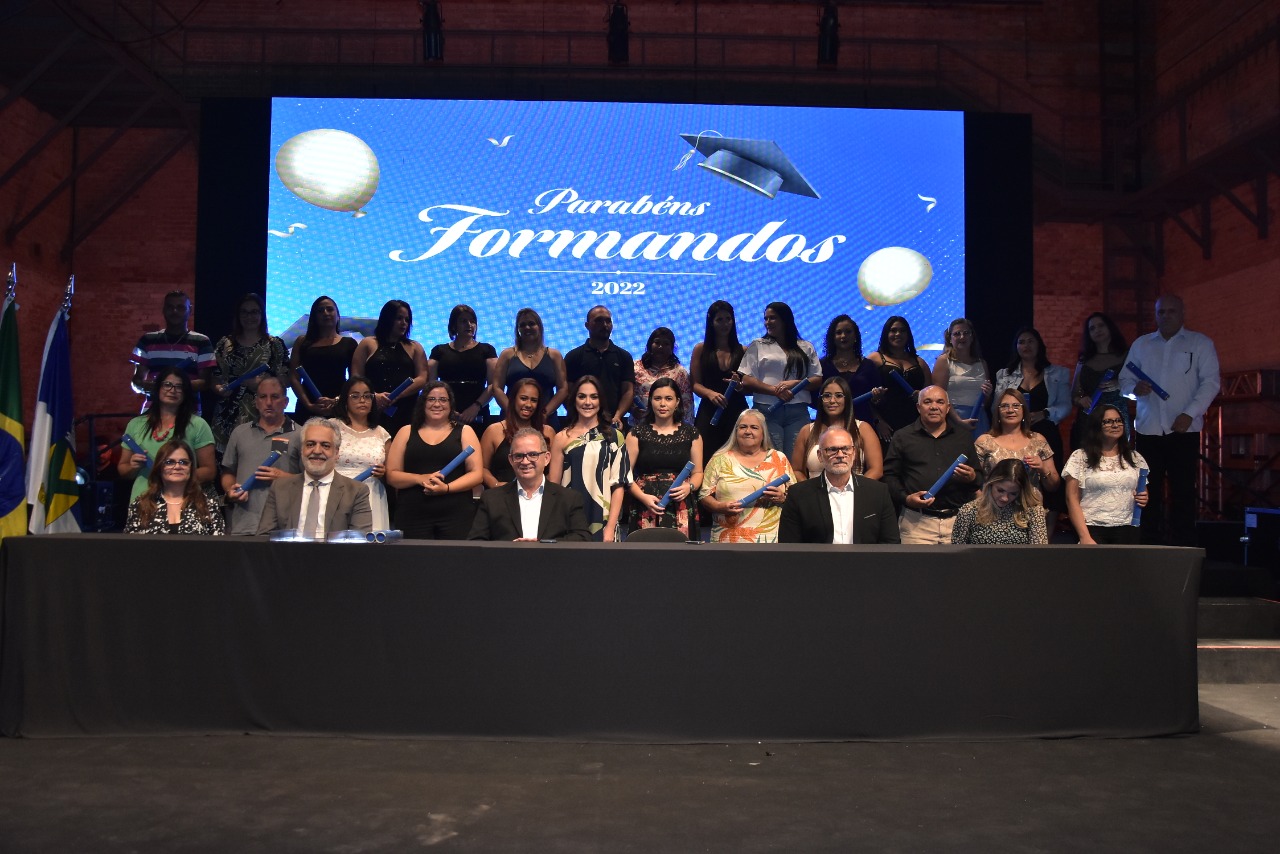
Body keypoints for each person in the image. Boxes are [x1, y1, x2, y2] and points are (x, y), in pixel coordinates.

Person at [1118, 294, 1219, 545]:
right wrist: (1134, 390)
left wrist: (1189, 413)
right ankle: (1148, 546)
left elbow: (1210, 383)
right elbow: (1124, 381)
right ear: (1155, 314)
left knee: (1183, 491)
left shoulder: (1200, 343)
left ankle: (1184, 548)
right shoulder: (1142, 344)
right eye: (1161, 312)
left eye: (1171, 311)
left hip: (1183, 430)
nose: (1165, 316)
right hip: (1148, 430)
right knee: (1147, 491)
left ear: (1182, 313)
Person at [882, 385, 982, 544]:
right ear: (918, 407)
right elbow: (890, 477)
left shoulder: (963, 437)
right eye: (928, 402)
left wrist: (972, 477)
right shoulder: (902, 436)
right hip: (916, 524)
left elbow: (979, 478)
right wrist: (906, 499)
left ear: (948, 408)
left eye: (940, 402)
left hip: (958, 522)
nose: (934, 406)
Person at [385, 381, 483, 540]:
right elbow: (392, 476)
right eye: (431, 399)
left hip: (456, 514)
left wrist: (447, 488)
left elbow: (476, 474)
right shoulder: (406, 431)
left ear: (450, 404)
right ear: (422, 403)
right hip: (412, 514)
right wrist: (420, 478)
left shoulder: (465, 431)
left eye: (443, 399)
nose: (437, 404)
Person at [993, 327, 1070, 521]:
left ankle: (1047, 535)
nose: (1026, 346)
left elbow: (1066, 405)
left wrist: (1044, 413)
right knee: (1015, 477)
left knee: (1051, 483)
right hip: (1013, 432)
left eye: (1030, 341)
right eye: (1021, 342)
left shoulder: (1057, 373)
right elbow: (997, 405)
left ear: (1039, 345)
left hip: (1046, 431)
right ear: (1016, 347)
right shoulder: (1004, 374)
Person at [468, 427, 591, 542]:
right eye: (519, 456)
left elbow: (582, 538)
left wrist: (543, 545)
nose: (525, 461)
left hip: (552, 558)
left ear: (547, 458)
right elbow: (476, 542)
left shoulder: (569, 498)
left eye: (533, 455)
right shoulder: (491, 499)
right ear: (511, 460)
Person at [779, 428, 899, 544]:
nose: (840, 455)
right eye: (832, 449)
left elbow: (890, 543)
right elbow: (789, 546)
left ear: (854, 453)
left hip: (866, 559)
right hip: (817, 559)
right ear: (820, 455)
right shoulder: (798, 494)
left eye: (846, 449)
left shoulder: (878, 492)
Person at [257, 418, 373, 536]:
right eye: (310, 444)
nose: (317, 451)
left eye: (325, 445)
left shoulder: (356, 492)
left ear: (337, 452)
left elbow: (360, 541)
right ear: (302, 450)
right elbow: (265, 537)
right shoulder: (280, 488)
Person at [117, 366, 217, 502]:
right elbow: (123, 470)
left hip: (182, 501)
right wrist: (133, 467)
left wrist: (179, 477)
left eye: (179, 387)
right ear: (158, 388)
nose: (172, 390)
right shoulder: (136, 424)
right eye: (167, 385)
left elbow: (209, 471)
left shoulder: (198, 424)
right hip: (143, 501)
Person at [549, 376, 630, 542]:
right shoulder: (561, 438)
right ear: (574, 400)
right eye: (582, 396)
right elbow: (553, 487)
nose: (588, 402)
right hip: (568, 518)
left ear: (601, 401)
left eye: (594, 397)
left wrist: (610, 527)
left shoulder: (615, 437)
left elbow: (618, 486)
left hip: (604, 519)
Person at [736, 302, 822, 454]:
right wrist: (775, 390)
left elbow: (817, 379)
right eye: (766, 318)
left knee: (797, 458)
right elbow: (747, 379)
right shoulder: (758, 345)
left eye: (772, 318)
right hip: (766, 410)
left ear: (785, 319)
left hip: (798, 411)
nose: (767, 322)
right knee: (772, 457)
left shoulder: (805, 346)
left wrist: (795, 384)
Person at [699, 409, 795, 543]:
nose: (748, 431)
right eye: (743, 427)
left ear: (763, 433)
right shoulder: (719, 459)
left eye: (754, 427)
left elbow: (796, 497)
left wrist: (782, 498)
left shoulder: (779, 458)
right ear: (736, 431)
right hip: (728, 539)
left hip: (770, 538)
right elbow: (704, 496)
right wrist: (720, 507)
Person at [221, 375, 300, 535]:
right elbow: (228, 472)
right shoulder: (240, 433)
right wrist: (230, 490)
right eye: (263, 397)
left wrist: (284, 478)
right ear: (256, 402)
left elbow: (312, 480)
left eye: (275, 397)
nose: (269, 402)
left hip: (284, 529)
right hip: (244, 526)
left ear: (286, 402)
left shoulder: (301, 434)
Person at [625, 377, 703, 539]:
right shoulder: (636, 433)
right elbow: (626, 476)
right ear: (650, 401)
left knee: (681, 550)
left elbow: (698, 472)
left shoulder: (691, 433)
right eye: (657, 398)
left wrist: (689, 487)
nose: (662, 404)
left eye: (668, 399)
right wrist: (643, 497)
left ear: (677, 402)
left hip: (680, 504)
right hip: (646, 503)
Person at [211, 292, 289, 452]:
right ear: (238, 315)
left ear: (262, 314)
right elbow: (214, 377)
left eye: (254, 312)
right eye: (244, 312)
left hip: (265, 412)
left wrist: (264, 384)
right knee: (227, 460)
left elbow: (286, 380)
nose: (249, 316)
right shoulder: (225, 343)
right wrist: (218, 388)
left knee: (262, 459)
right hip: (227, 414)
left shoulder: (274, 345)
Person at [974, 387, 1061, 527]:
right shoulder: (984, 441)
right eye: (1004, 406)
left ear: (1024, 410)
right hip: (993, 514)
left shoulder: (1038, 440)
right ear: (997, 412)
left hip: (1030, 515)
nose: (1010, 410)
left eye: (1016, 406)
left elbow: (1054, 486)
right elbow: (973, 481)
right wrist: (983, 503)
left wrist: (1043, 469)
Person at [1064, 404, 1150, 545]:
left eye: (1118, 421)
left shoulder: (1135, 458)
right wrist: (1084, 536)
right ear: (1096, 426)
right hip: (1092, 528)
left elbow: (1142, 492)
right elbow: (1071, 498)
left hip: (1128, 528)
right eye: (1108, 421)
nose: (1115, 425)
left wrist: (1144, 498)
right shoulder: (1079, 457)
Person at [353, 299, 430, 438]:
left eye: (407, 320)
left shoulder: (415, 347)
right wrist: (373, 396)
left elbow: (422, 378)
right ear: (387, 319)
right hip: (372, 409)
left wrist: (397, 395)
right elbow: (355, 377)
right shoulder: (367, 343)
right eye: (399, 318)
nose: (404, 323)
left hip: (406, 411)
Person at [326, 376, 392, 531]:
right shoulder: (331, 426)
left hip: (371, 493)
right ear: (345, 400)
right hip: (336, 490)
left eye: (367, 396)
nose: (362, 400)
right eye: (355, 396)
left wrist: (383, 472)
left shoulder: (382, 433)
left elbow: (390, 471)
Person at [123, 439, 225, 535]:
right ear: (159, 467)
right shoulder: (140, 505)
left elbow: (218, 544)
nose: (177, 466)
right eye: (169, 462)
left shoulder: (208, 504)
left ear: (191, 468)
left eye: (183, 462)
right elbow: (130, 545)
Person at [129, 290, 215, 404]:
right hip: (152, 411)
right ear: (163, 310)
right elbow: (137, 381)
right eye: (170, 307)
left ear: (190, 310)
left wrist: (167, 386)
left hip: (188, 412)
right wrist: (147, 386)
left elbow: (206, 383)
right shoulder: (147, 340)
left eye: (180, 307)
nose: (175, 311)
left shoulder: (202, 341)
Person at [791, 375, 883, 481]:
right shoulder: (806, 431)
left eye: (838, 395)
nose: (832, 400)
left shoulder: (863, 429)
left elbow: (876, 470)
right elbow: (796, 470)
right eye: (827, 396)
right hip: (815, 490)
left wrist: (858, 488)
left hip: (856, 489)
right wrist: (810, 489)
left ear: (847, 399)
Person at [690, 300, 747, 465]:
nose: (725, 324)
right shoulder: (700, 349)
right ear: (711, 322)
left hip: (736, 410)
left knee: (738, 458)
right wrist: (710, 393)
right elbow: (695, 384)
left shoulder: (743, 350)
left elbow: (749, 387)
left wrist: (741, 386)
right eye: (719, 320)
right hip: (709, 410)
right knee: (705, 457)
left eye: (728, 319)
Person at [429, 304, 501, 428]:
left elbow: (493, 385)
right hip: (445, 413)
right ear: (454, 325)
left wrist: (476, 407)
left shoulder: (487, 350)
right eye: (463, 321)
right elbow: (430, 385)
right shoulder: (439, 351)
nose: (469, 325)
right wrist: (446, 409)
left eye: (472, 321)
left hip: (478, 414)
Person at [563, 305, 635, 428]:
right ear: (587, 325)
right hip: (580, 423)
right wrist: (578, 415)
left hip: (613, 423)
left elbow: (628, 391)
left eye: (608, 321)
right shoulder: (573, 356)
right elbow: (567, 392)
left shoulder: (624, 356)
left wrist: (618, 416)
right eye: (598, 320)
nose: (604, 325)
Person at [289, 295, 358, 420]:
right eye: (320, 311)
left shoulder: (350, 343)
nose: (325, 313)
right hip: (307, 407)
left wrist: (337, 401)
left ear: (338, 315)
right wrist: (309, 405)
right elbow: (294, 377)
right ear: (314, 317)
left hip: (338, 408)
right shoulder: (302, 342)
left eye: (330, 309)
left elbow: (354, 379)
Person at [951, 458, 1048, 545]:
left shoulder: (1033, 511)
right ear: (991, 484)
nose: (1005, 498)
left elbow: (1039, 553)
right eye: (1000, 490)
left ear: (1021, 491)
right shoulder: (969, 510)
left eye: (1013, 493)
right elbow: (958, 552)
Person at [493, 308, 568, 420]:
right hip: (511, 419)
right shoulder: (507, 355)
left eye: (531, 324)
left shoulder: (554, 355)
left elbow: (563, 389)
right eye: (522, 325)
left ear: (539, 327)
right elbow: (497, 388)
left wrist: (544, 414)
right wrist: (512, 412)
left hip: (546, 420)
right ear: (518, 329)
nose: (527, 327)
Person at [481, 378, 556, 488]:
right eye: (523, 398)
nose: (528, 404)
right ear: (513, 399)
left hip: (539, 494)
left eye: (534, 400)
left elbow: (554, 471)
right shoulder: (493, 431)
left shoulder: (548, 432)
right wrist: (495, 485)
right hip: (501, 494)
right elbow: (482, 468)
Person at [1069, 311, 1129, 450]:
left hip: (1117, 418)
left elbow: (1136, 385)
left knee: (1117, 457)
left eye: (1101, 325)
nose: (1097, 330)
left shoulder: (1126, 355)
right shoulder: (1084, 359)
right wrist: (1080, 400)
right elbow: (1074, 395)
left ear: (1110, 327)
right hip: (1089, 419)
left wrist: (1120, 384)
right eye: (1092, 328)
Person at [867, 315, 932, 438]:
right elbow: (863, 393)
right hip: (886, 427)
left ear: (908, 334)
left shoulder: (920, 362)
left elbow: (931, 395)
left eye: (902, 330)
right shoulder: (874, 359)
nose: (898, 334)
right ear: (886, 334)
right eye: (893, 330)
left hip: (915, 425)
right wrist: (877, 421)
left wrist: (922, 395)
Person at [931, 317, 992, 438]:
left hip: (979, 419)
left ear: (972, 337)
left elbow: (986, 402)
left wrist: (988, 395)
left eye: (966, 333)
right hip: (953, 419)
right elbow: (939, 397)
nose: (962, 337)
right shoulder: (943, 361)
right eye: (957, 334)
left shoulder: (982, 363)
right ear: (950, 338)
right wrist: (958, 421)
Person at [820, 314, 883, 425]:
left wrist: (877, 398)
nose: (843, 336)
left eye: (848, 332)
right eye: (838, 332)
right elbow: (815, 398)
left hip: (863, 424)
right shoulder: (822, 366)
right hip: (829, 424)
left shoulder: (868, 366)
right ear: (832, 338)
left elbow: (879, 401)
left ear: (855, 337)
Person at [631, 327, 694, 424]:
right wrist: (632, 410)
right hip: (639, 425)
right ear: (650, 345)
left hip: (670, 427)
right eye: (657, 342)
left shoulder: (680, 372)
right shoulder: (635, 368)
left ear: (672, 348)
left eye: (666, 344)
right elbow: (626, 394)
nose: (661, 347)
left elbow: (687, 404)